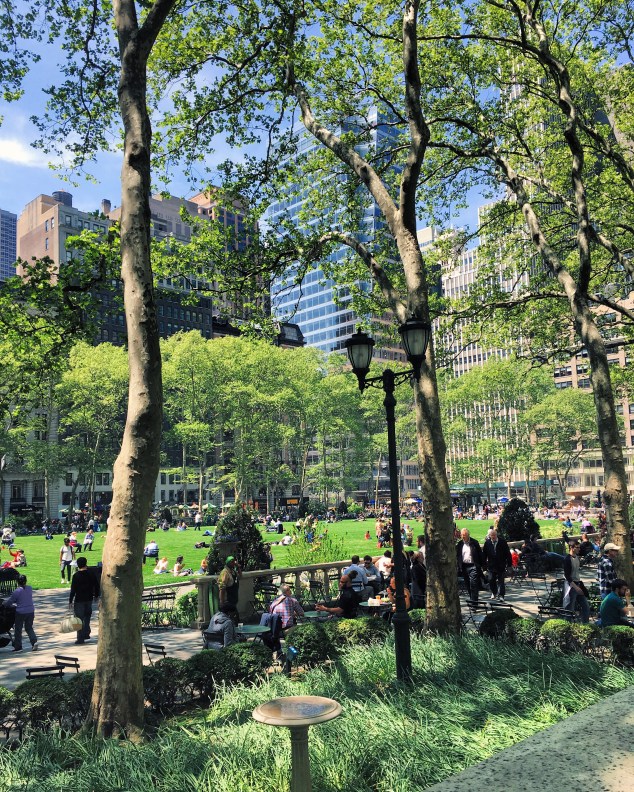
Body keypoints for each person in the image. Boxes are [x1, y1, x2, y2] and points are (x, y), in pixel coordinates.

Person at [68, 557, 100, 644]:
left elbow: (73, 590)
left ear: (78, 565)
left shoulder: (76, 576)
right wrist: (96, 595)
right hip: (89, 598)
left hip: (79, 600)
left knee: (79, 619)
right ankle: (86, 632)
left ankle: (80, 638)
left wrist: (70, 601)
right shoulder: (91, 574)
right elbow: (96, 585)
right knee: (87, 617)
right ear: (86, 563)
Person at [4, 574, 38, 652]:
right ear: (25, 581)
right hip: (30, 611)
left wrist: (4, 604)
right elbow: (25, 598)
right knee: (29, 628)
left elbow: (10, 602)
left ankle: (18, 646)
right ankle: (34, 642)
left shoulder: (16, 591)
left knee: (18, 629)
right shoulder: (30, 588)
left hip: (21, 612)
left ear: (17, 582)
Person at [562, 541, 590, 623]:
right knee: (569, 609)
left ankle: (586, 625)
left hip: (578, 584)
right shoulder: (567, 559)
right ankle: (567, 627)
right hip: (571, 586)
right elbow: (567, 576)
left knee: (586, 607)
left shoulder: (577, 557)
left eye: (579, 547)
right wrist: (575, 587)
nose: (579, 549)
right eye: (577, 547)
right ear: (572, 548)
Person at [482, 528, 512, 602]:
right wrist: (484, 567)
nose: (493, 537)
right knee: (491, 580)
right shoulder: (487, 543)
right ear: (490, 536)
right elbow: (484, 555)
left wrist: (509, 565)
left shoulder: (502, 542)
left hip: (501, 565)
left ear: (496, 535)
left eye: (494, 535)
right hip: (491, 565)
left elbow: (508, 554)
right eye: (492, 535)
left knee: (501, 581)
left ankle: (501, 595)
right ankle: (494, 592)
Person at [456, 528, 484, 603]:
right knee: (468, 584)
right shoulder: (460, 544)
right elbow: (458, 555)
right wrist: (459, 565)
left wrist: (482, 566)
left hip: (473, 565)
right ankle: (472, 599)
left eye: (464, 535)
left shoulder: (474, 542)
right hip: (464, 566)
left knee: (473, 584)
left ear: (468, 535)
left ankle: (474, 603)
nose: (463, 537)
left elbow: (480, 554)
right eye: (462, 535)